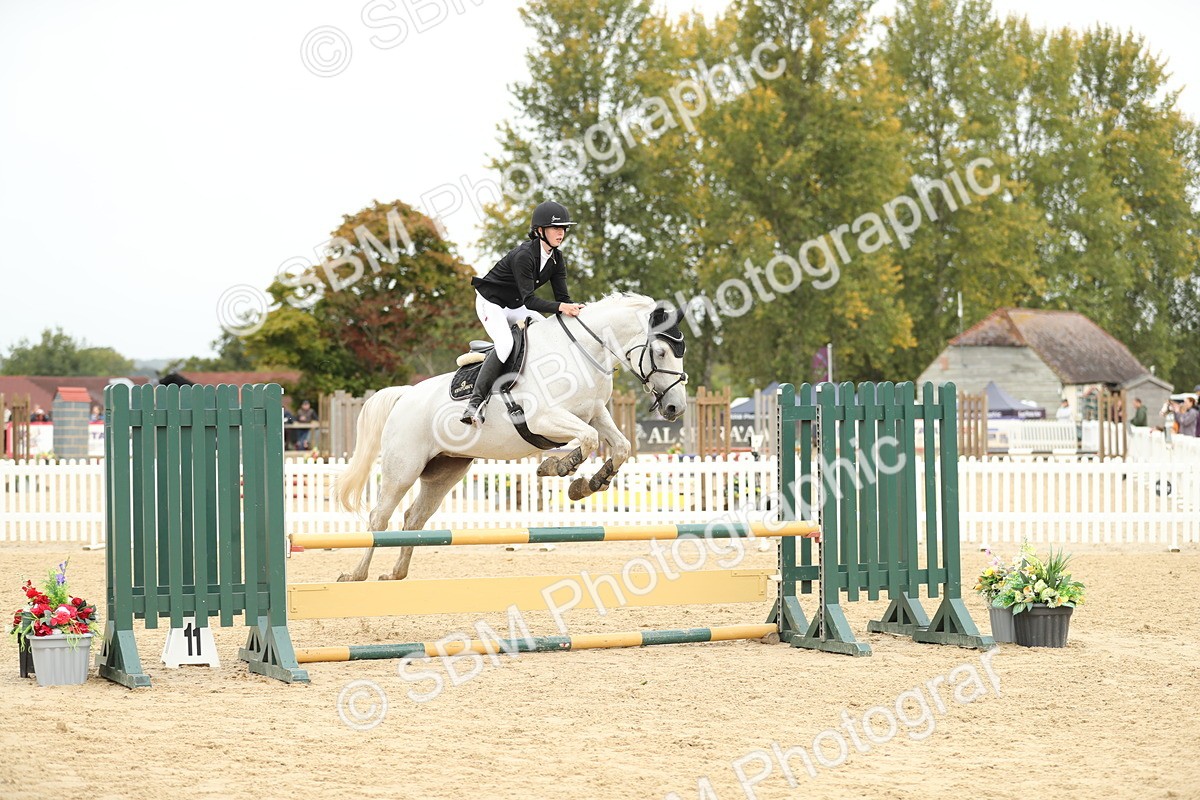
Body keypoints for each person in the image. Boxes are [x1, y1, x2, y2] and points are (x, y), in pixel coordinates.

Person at [460, 200, 585, 426]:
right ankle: (475, 402)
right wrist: (561, 307)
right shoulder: (524, 255)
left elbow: (563, 300)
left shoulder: (557, 259)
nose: (561, 232)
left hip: (515, 305)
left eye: (563, 228)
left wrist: (577, 308)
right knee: (506, 343)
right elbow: (531, 299)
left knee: (545, 327)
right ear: (540, 231)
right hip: (492, 303)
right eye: (556, 228)